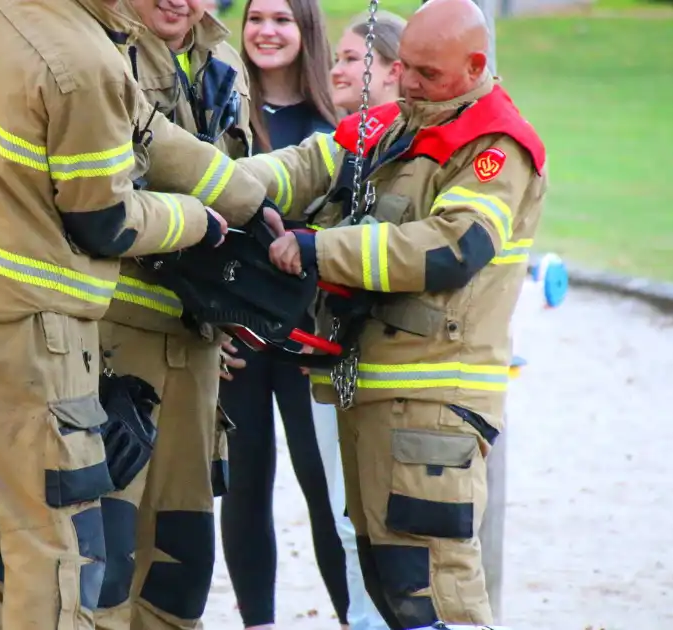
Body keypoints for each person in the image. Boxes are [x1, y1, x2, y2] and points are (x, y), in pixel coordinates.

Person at [0, 0, 283, 627]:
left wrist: (246, 198)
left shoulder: (24, 17)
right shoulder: (88, 62)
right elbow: (104, 219)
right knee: (58, 544)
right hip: (37, 326)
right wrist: (197, 222)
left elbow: (153, 136)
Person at [244, 0, 549, 626]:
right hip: (381, 400)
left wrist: (317, 250)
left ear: (474, 66)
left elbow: (451, 247)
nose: (407, 82)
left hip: (434, 405)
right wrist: (219, 186)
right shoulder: (395, 124)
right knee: (388, 589)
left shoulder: (495, 146)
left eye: (426, 73)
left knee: (435, 594)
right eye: (403, 66)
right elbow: (305, 166)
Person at [89, 1, 255, 629]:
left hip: (197, 348)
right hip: (113, 339)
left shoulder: (224, 60)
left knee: (180, 562)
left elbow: (234, 184)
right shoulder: (100, 52)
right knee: (101, 556)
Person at [216, 1, 356, 629]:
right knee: (244, 486)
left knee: (327, 494)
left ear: (307, 33)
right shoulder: (222, 113)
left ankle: (355, 615)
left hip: (309, 341)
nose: (267, 31)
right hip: (240, 335)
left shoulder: (338, 124)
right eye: (256, 18)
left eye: (283, 19)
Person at [309, 13, 407, 630]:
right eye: (338, 58)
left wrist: (313, 245)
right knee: (348, 518)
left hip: (385, 364)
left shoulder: (401, 152)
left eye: (351, 58)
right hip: (336, 360)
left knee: (385, 521)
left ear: (392, 69)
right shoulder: (345, 144)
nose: (337, 69)